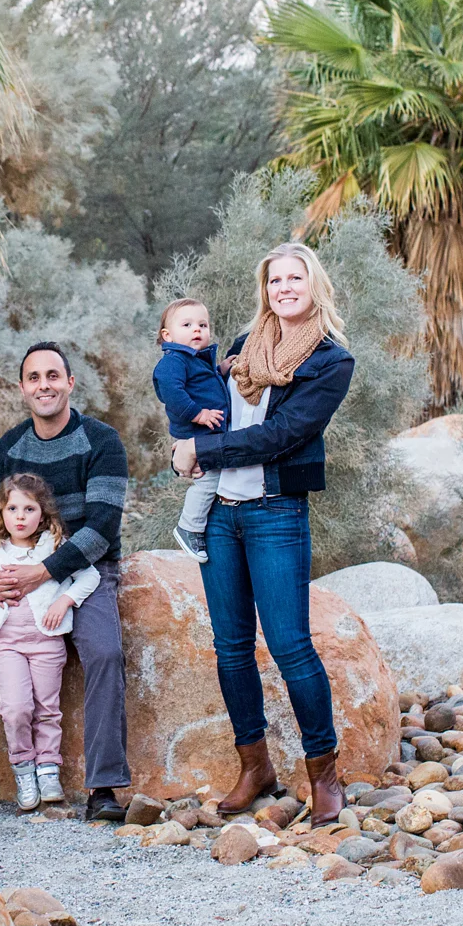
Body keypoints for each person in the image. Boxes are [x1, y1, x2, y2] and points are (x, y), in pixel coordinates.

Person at [171, 242, 354, 823]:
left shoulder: (330, 362)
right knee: (230, 648)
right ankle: (255, 766)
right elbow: (195, 398)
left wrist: (200, 448)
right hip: (221, 514)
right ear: (265, 289)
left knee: (290, 645)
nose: (284, 288)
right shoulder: (240, 352)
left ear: (313, 284)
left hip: (276, 512)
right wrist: (188, 431)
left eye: (294, 278)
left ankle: (323, 773)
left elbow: (282, 436)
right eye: (275, 280)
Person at [0, 341, 131, 826]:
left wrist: (44, 572)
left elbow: (102, 526)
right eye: (34, 378)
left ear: (69, 383)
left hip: (84, 572)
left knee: (104, 651)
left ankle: (103, 786)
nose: (45, 385)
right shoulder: (10, 447)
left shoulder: (102, 442)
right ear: (23, 389)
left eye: (53, 376)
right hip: (12, 571)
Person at [0, 474, 102, 811]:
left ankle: (48, 770)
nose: (21, 516)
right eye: (12, 508)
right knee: (15, 709)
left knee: (47, 710)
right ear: (1, 513)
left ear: (43, 514)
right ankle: (24, 771)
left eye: (29, 508)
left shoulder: (54, 548)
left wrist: (64, 601)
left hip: (46, 644)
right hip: (7, 645)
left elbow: (90, 575)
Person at [152, 298, 229, 563]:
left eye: (202, 324)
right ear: (167, 335)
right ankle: (189, 527)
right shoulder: (174, 360)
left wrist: (222, 370)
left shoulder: (195, 360)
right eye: (187, 324)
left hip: (207, 433)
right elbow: (173, 392)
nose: (197, 330)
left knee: (213, 477)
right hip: (198, 432)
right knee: (208, 479)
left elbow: (203, 383)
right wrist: (198, 414)